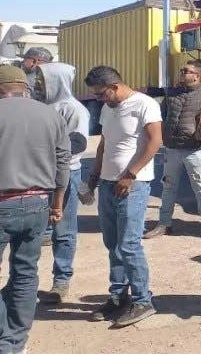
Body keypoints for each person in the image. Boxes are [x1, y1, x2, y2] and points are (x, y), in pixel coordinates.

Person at [84, 65, 162, 328]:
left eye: (100, 94)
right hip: (107, 183)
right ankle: (118, 296)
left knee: (129, 245)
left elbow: (155, 142)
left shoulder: (145, 104)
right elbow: (104, 144)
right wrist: (94, 178)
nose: (98, 99)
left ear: (115, 86)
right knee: (112, 243)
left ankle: (143, 300)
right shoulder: (109, 109)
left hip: (133, 185)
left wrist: (131, 174)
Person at [0, 64, 69, 352]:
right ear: (24, 87)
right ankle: (16, 342)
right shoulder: (50, 114)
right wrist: (57, 203)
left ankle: (4, 339)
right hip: (38, 203)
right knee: (26, 273)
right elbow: (63, 163)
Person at [144, 61, 201, 241]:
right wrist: (162, 136)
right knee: (168, 187)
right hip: (172, 149)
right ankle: (164, 224)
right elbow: (161, 116)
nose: (181, 73)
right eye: (181, 70)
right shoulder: (172, 94)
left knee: (200, 188)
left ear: (196, 75)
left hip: (195, 150)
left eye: (185, 71)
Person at [35, 62, 90, 305]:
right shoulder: (40, 107)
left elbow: (77, 145)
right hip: (37, 175)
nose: (37, 84)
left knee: (63, 230)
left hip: (64, 175)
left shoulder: (74, 109)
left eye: (41, 79)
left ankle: (61, 280)